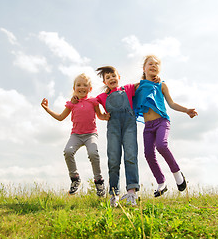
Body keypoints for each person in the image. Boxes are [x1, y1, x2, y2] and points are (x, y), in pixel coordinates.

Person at [133, 55, 198, 197]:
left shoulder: (162, 85)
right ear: (144, 68)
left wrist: (187, 110)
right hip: (148, 126)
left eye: (156, 64)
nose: (153, 66)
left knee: (161, 146)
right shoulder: (138, 87)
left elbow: (172, 103)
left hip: (162, 121)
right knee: (148, 154)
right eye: (150, 64)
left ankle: (177, 174)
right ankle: (161, 183)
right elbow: (125, 92)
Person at [41, 73, 110, 196]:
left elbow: (99, 115)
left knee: (93, 153)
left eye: (85, 85)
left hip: (91, 135)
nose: (81, 87)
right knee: (68, 151)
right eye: (78, 85)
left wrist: (105, 117)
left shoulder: (93, 102)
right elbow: (60, 117)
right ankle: (75, 178)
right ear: (74, 89)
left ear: (90, 89)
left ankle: (99, 181)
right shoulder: (71, 104)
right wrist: (47, 109)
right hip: (76, 135)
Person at [96, 66, 140, 207]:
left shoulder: (127, 89)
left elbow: (143, 83)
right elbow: (89, 102)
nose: (111, 79)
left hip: (129, 126)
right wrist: (101, 116)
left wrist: (152, 78)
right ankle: (114, 195)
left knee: (130, 156)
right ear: (105, 82)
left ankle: (132, 192)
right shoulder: (102, 97)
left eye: (113, 75)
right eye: (107, 78)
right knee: (114, 160)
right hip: (113, 129)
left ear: (119, 77)